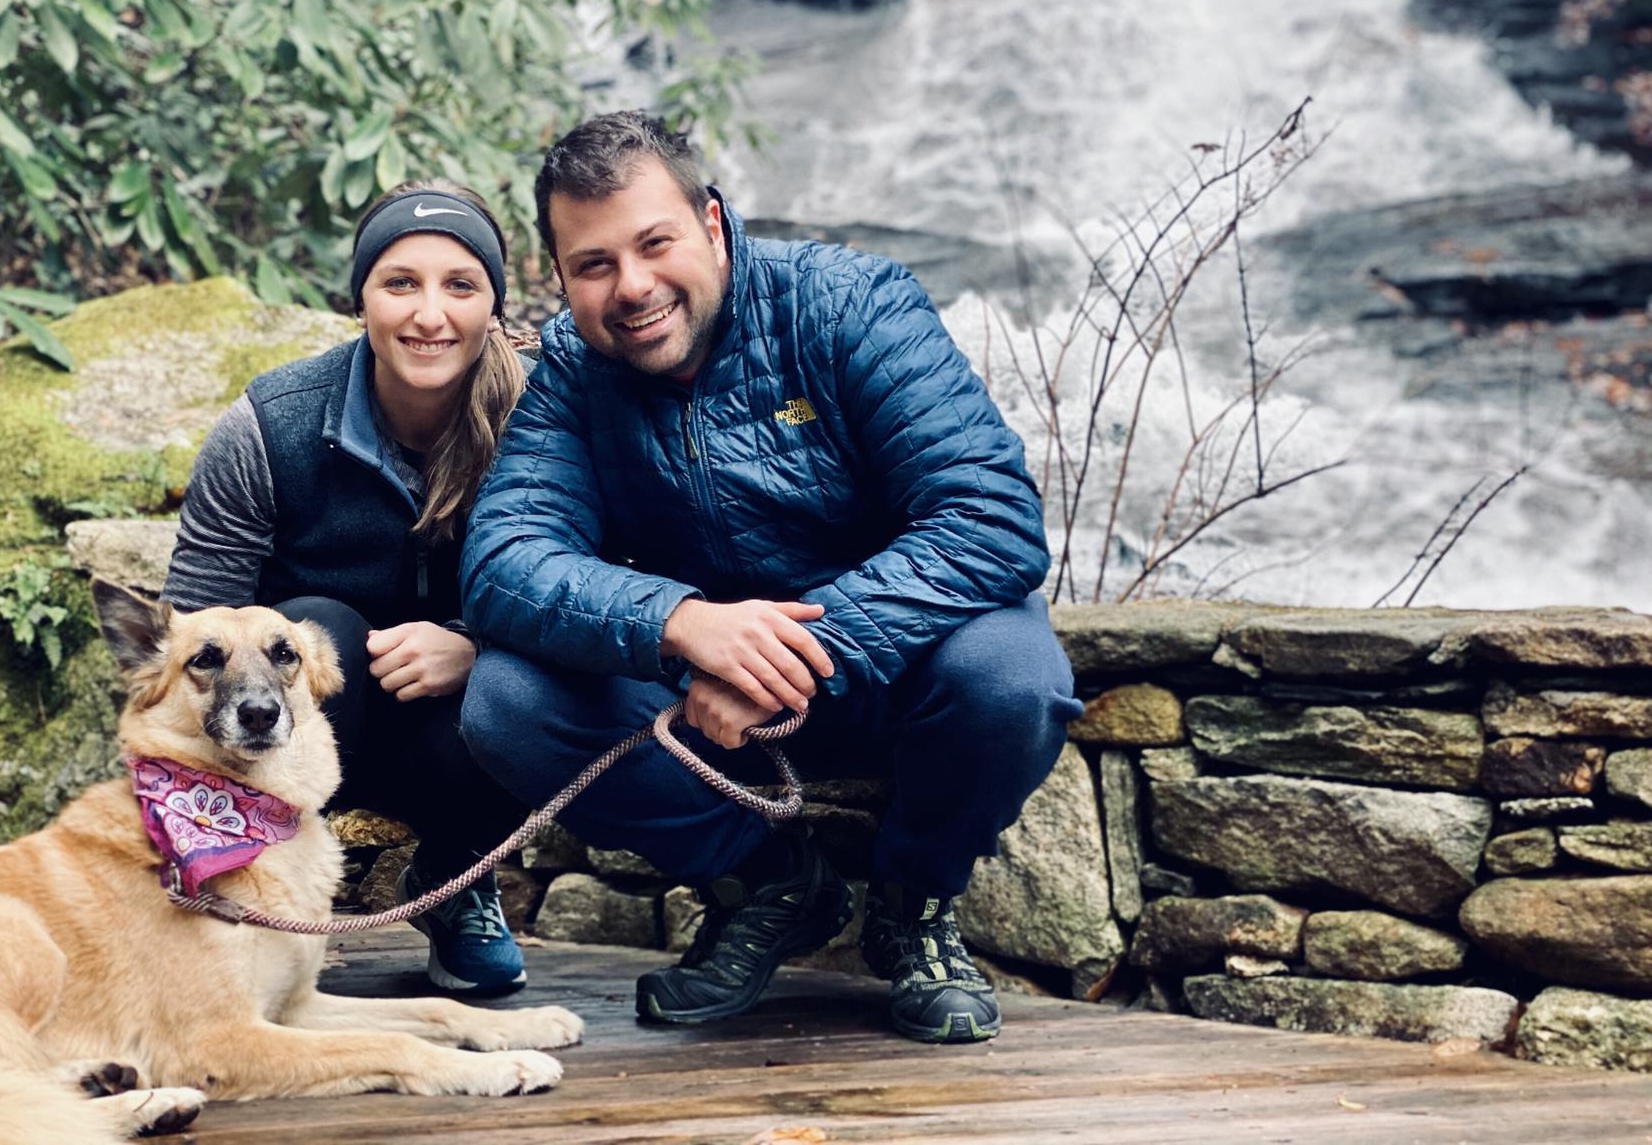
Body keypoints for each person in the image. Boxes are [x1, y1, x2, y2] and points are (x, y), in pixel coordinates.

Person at [456, 113, 1082, 1043]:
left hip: (891, 667)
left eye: (655, 243)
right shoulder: (575, 376)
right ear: (563, 275)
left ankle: (913, 907)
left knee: (1015, 680)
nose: (632, 287)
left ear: (711, 225)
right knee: (505, 702)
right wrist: (682, 622)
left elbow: (989, 516)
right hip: (698, 697)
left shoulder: (849, 304)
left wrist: (798, 650)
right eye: (594, 265)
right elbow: (503, 561)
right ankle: (771, 883)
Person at [162, 179, 532, 996]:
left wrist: (477, 645)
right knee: (317, 626)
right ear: (360, 297)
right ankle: (248, 892)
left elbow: (597, 582)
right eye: (400, 283)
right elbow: (192, 638)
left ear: (493, 307)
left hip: (463, 736)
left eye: (459, 285)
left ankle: (457, 879)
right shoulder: (273, 423)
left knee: (528, 689)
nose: (429, 314)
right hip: (296, 733)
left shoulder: (541, 420)